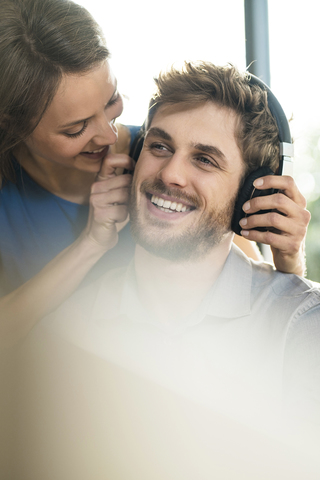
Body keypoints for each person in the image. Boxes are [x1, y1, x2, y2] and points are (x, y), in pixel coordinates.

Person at [20, 61, 320, 479]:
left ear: (253, 191)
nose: (171, 174)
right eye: (160, 147)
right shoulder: (65, 332)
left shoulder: (303, 331)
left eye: (205, 160)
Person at [0, 0, 310, 346]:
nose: (108, 135)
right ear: (12, 126)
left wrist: (290, 261)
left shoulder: (158, 163)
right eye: (76, 128)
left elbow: (252, 301)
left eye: (111, 102)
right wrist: (90, 244)